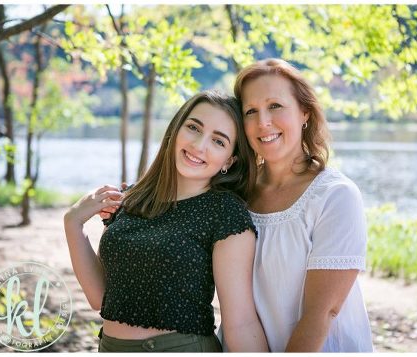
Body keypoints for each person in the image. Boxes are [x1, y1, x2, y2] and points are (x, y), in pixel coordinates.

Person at [64, 90, 268, 352]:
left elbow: (240, 321)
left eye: (218, 141)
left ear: (229, 160)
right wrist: (73, 223)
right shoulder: (132, 198)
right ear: (176, 129)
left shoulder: (225, 212)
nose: (199, 145)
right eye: (194, 127)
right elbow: (100, 298)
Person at [228, 58, 373, 352]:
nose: (263, 122)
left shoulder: (335, 196)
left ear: (304, 112)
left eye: (275, 106)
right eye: (251, 111)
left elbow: (321, 314)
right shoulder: (236, 195)